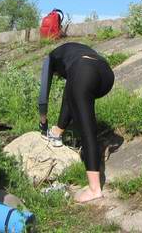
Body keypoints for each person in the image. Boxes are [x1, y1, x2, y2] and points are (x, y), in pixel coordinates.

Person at [38, 42, 114, 203]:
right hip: (106, 73)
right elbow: (69, 95)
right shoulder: (73, 51)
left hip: (84, 71)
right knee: (74, 91)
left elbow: (43, 96)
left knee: (86, 129)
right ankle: (58, 132)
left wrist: (42, 122)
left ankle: (94, 189)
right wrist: (57, 130)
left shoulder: (49, 59)